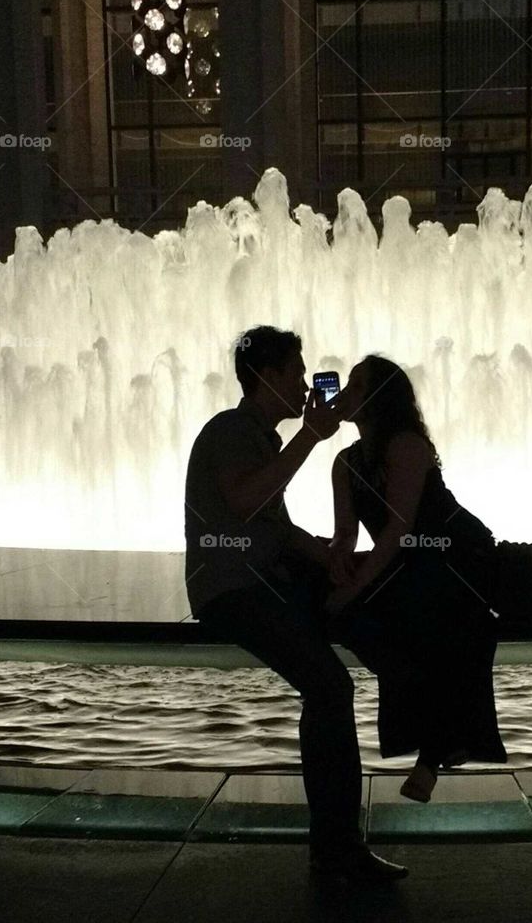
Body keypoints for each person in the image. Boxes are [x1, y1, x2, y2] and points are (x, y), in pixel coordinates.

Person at [184, 326, 408, 882]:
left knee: (360, 609)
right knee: (330, 687)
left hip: (266, 582)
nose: (306, 384)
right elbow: (243, 502)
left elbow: (278, 530)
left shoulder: (260, 439)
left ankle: (410, 686)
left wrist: (332, 554)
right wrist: (309, 435)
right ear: (267, 377)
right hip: (233, 591)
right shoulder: (232, 429)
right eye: (297, 372)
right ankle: (335, 851)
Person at [324, 355, 507, 803]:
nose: (346, 391)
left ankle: (429, 757)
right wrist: (338, 558)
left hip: (456, 553)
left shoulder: (406, 445)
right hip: (407, 561)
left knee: (423, 610)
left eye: (355, 384)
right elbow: (347, 532)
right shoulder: (344, 463)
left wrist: (352, 588)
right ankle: (443, 735)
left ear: (379, 397)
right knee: (380, 610)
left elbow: (398, 529)